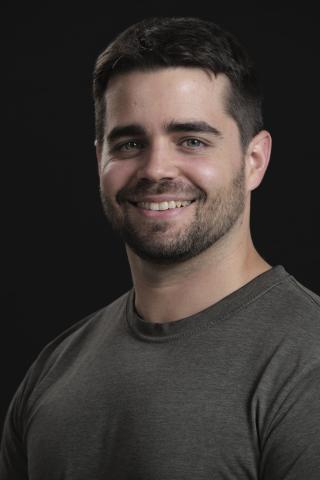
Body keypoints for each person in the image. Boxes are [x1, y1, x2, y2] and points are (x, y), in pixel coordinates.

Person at [1, 16, 320, 480]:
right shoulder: (56, 368)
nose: (155, 169)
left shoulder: (308, 364)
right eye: (130, 143)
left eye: (191, 140)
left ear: (254, 161)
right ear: (99, 161)